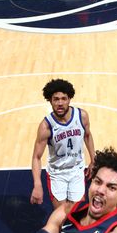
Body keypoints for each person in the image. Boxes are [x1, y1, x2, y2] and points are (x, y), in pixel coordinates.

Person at [30, 79, 96, 210]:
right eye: (56, 99)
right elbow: (36, 157)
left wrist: (94, 160)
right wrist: (37, 184)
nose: (60, 103)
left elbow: (87, 135)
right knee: (61, 214)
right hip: (57, 174)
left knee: (76, 212)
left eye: (63, 99)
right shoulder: (46, 126)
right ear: (50, 100)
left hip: (77, 170)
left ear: (69, 99)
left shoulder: (81, 116)